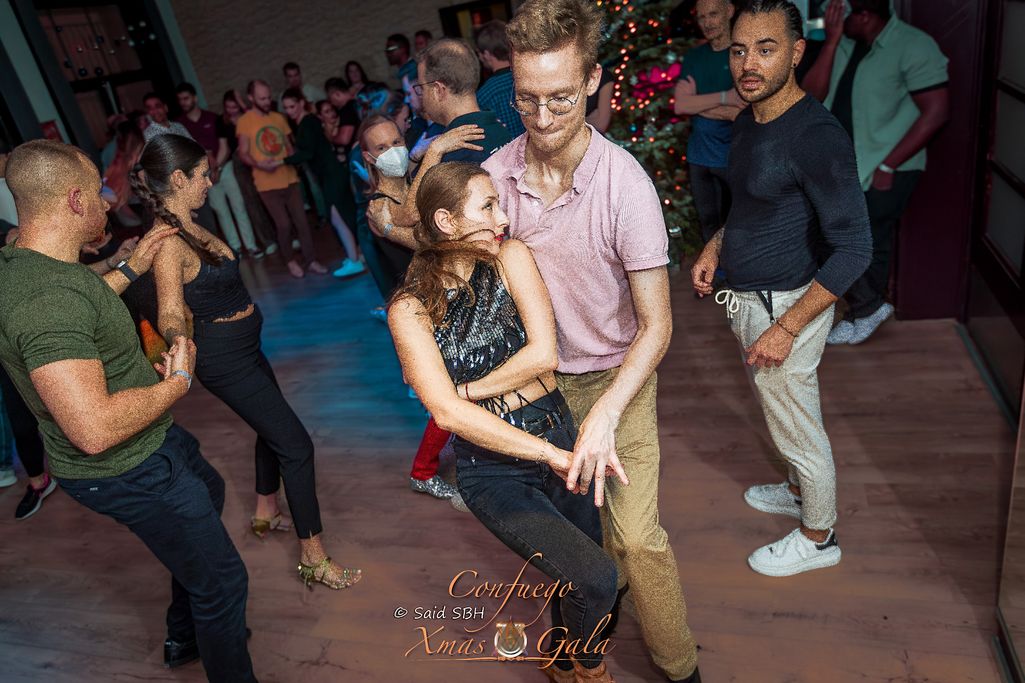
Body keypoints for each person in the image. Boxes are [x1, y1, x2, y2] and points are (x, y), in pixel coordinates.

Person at [484, 1, 701, 680]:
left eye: (560, 98)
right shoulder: (495, 178)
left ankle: (682, 670)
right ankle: (573, 654)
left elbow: (658, 324)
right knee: (574, 542)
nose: (543, 118)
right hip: (539, 392)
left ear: (591, 81)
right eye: (526, 99)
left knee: (634, 540)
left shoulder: (624, 185)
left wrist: (607, 411)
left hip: (616, 379)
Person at [0, 139, 257, 680]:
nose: (107, 201)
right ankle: (210, 636)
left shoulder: (27, 263)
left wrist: (132, 266)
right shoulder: (48, 301)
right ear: (74, 201)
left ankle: (186, 634)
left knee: (210, 489)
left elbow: (81, 305)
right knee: (224, 583)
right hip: (125, 465)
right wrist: (178, 382)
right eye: (97, 191)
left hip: (148, 442)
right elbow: (92, 428)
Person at [388, 161, 621, 682]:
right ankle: (591, 670)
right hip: (493, 469)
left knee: (577, 573)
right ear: (447, 222)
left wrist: (467, 391)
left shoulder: (509, 257)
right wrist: (545, 453)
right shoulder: (410, 310)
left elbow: (542, 355)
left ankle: (561, 658)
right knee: (598, 577)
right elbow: (446, 414)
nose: (503, 218)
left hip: (557, 427)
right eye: (488, 206)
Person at [135, 133, 362, 591]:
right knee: (296, 446)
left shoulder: (194, 223)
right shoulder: (168, 244)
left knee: (270, 426)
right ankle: (313, 557)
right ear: (178, 179)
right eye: (202, 175)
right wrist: (177, 341)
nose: (209, 182)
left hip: (246, 347)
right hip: (223, 359)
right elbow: (171, 311)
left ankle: (265, 511)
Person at [691, 0, 872, 576]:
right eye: (740, 50)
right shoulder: (750, 120)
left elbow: (856, 249)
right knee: (781, 412)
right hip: (750, 298)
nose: (748, 64)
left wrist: (786, 328)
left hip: (787, 305)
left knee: (797, 426)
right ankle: (798, 491)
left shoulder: (816, 136)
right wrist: (715, 247)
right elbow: (751, 206)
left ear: (796, 53)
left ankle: (818, 536)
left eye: (765, 49)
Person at [803, 0, 950, 345]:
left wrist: (889, 164)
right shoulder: (842, 42)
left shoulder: (914, 45)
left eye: (841, 13)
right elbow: (811, 95)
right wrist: (832, 41)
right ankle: (866, 308)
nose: (832, 18)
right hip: (841, 165)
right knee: (833, 239)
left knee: (869, 243)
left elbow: (937, 112)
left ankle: (863, 312)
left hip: (885, 165)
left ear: (865, 16)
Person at [236, 79, 326, 278]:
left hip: (289, 178)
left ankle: (311, 260)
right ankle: (290, 261)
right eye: (262, 98)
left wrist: (293, 161)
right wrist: (260, 165)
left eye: (268, 97)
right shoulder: (245, 121)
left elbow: (289, 146)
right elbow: (243, 153)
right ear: (251, 98)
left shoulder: (278, 117)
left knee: (302, 222)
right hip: (266, 184)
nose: (267, 101)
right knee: (284, 224)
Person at [673, 0, 746, 243]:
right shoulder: (695, 56)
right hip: (699, 156)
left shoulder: (742, 54)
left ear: (729, 11)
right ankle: (714, 269)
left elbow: (741, 112)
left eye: (713, 14)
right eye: (701, 17)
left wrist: (699, 104)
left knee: (737, 225)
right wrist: (726, 98)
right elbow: (681, 105)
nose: (707, 23)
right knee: (708, 224)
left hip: (733, 155)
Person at [281, 89, 365, 278]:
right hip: (329, 174)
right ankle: (356, 255)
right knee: (343, 216)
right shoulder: (306, 122)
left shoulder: (308, 122)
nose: (289, 111)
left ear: (301, 103)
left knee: (338, 217)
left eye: (292, 106)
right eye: (286, 108)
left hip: (332, 174)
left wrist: (282, 161)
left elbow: (308, 153)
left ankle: (355, 259)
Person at [177, 82, 260, 257]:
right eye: (180, 100)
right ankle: (235, 248)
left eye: (186, 98)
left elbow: (225, 146)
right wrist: (206, 172)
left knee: (239, 205)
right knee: (221, 210)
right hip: (203, 174)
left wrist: (218, 168)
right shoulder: (180, 125)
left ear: (194, 98)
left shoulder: (213, 118)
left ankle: (251, 246)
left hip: (225, 167)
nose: (183, 102)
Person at [415, 39, 512, 166]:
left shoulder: (450, 158)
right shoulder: (499, 128)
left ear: (438, 90)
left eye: (421, 88)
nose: (421, 96)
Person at [221, 90, 277, 255]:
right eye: (228, 107)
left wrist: (242, 102)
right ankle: (268, 241)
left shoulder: (248, 117)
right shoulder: (223, 122)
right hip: (239, 162)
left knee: (269, 196)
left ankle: (284, 236)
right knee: (251, 202)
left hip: (257, 156)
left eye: (235, 106)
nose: (232, 110)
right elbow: (225, 147)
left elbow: (258, 123)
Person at [475, 20, 526, 138]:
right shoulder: (527, 77)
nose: (480, 58)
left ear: (487, 54)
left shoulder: (484, 95)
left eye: (479, 53)